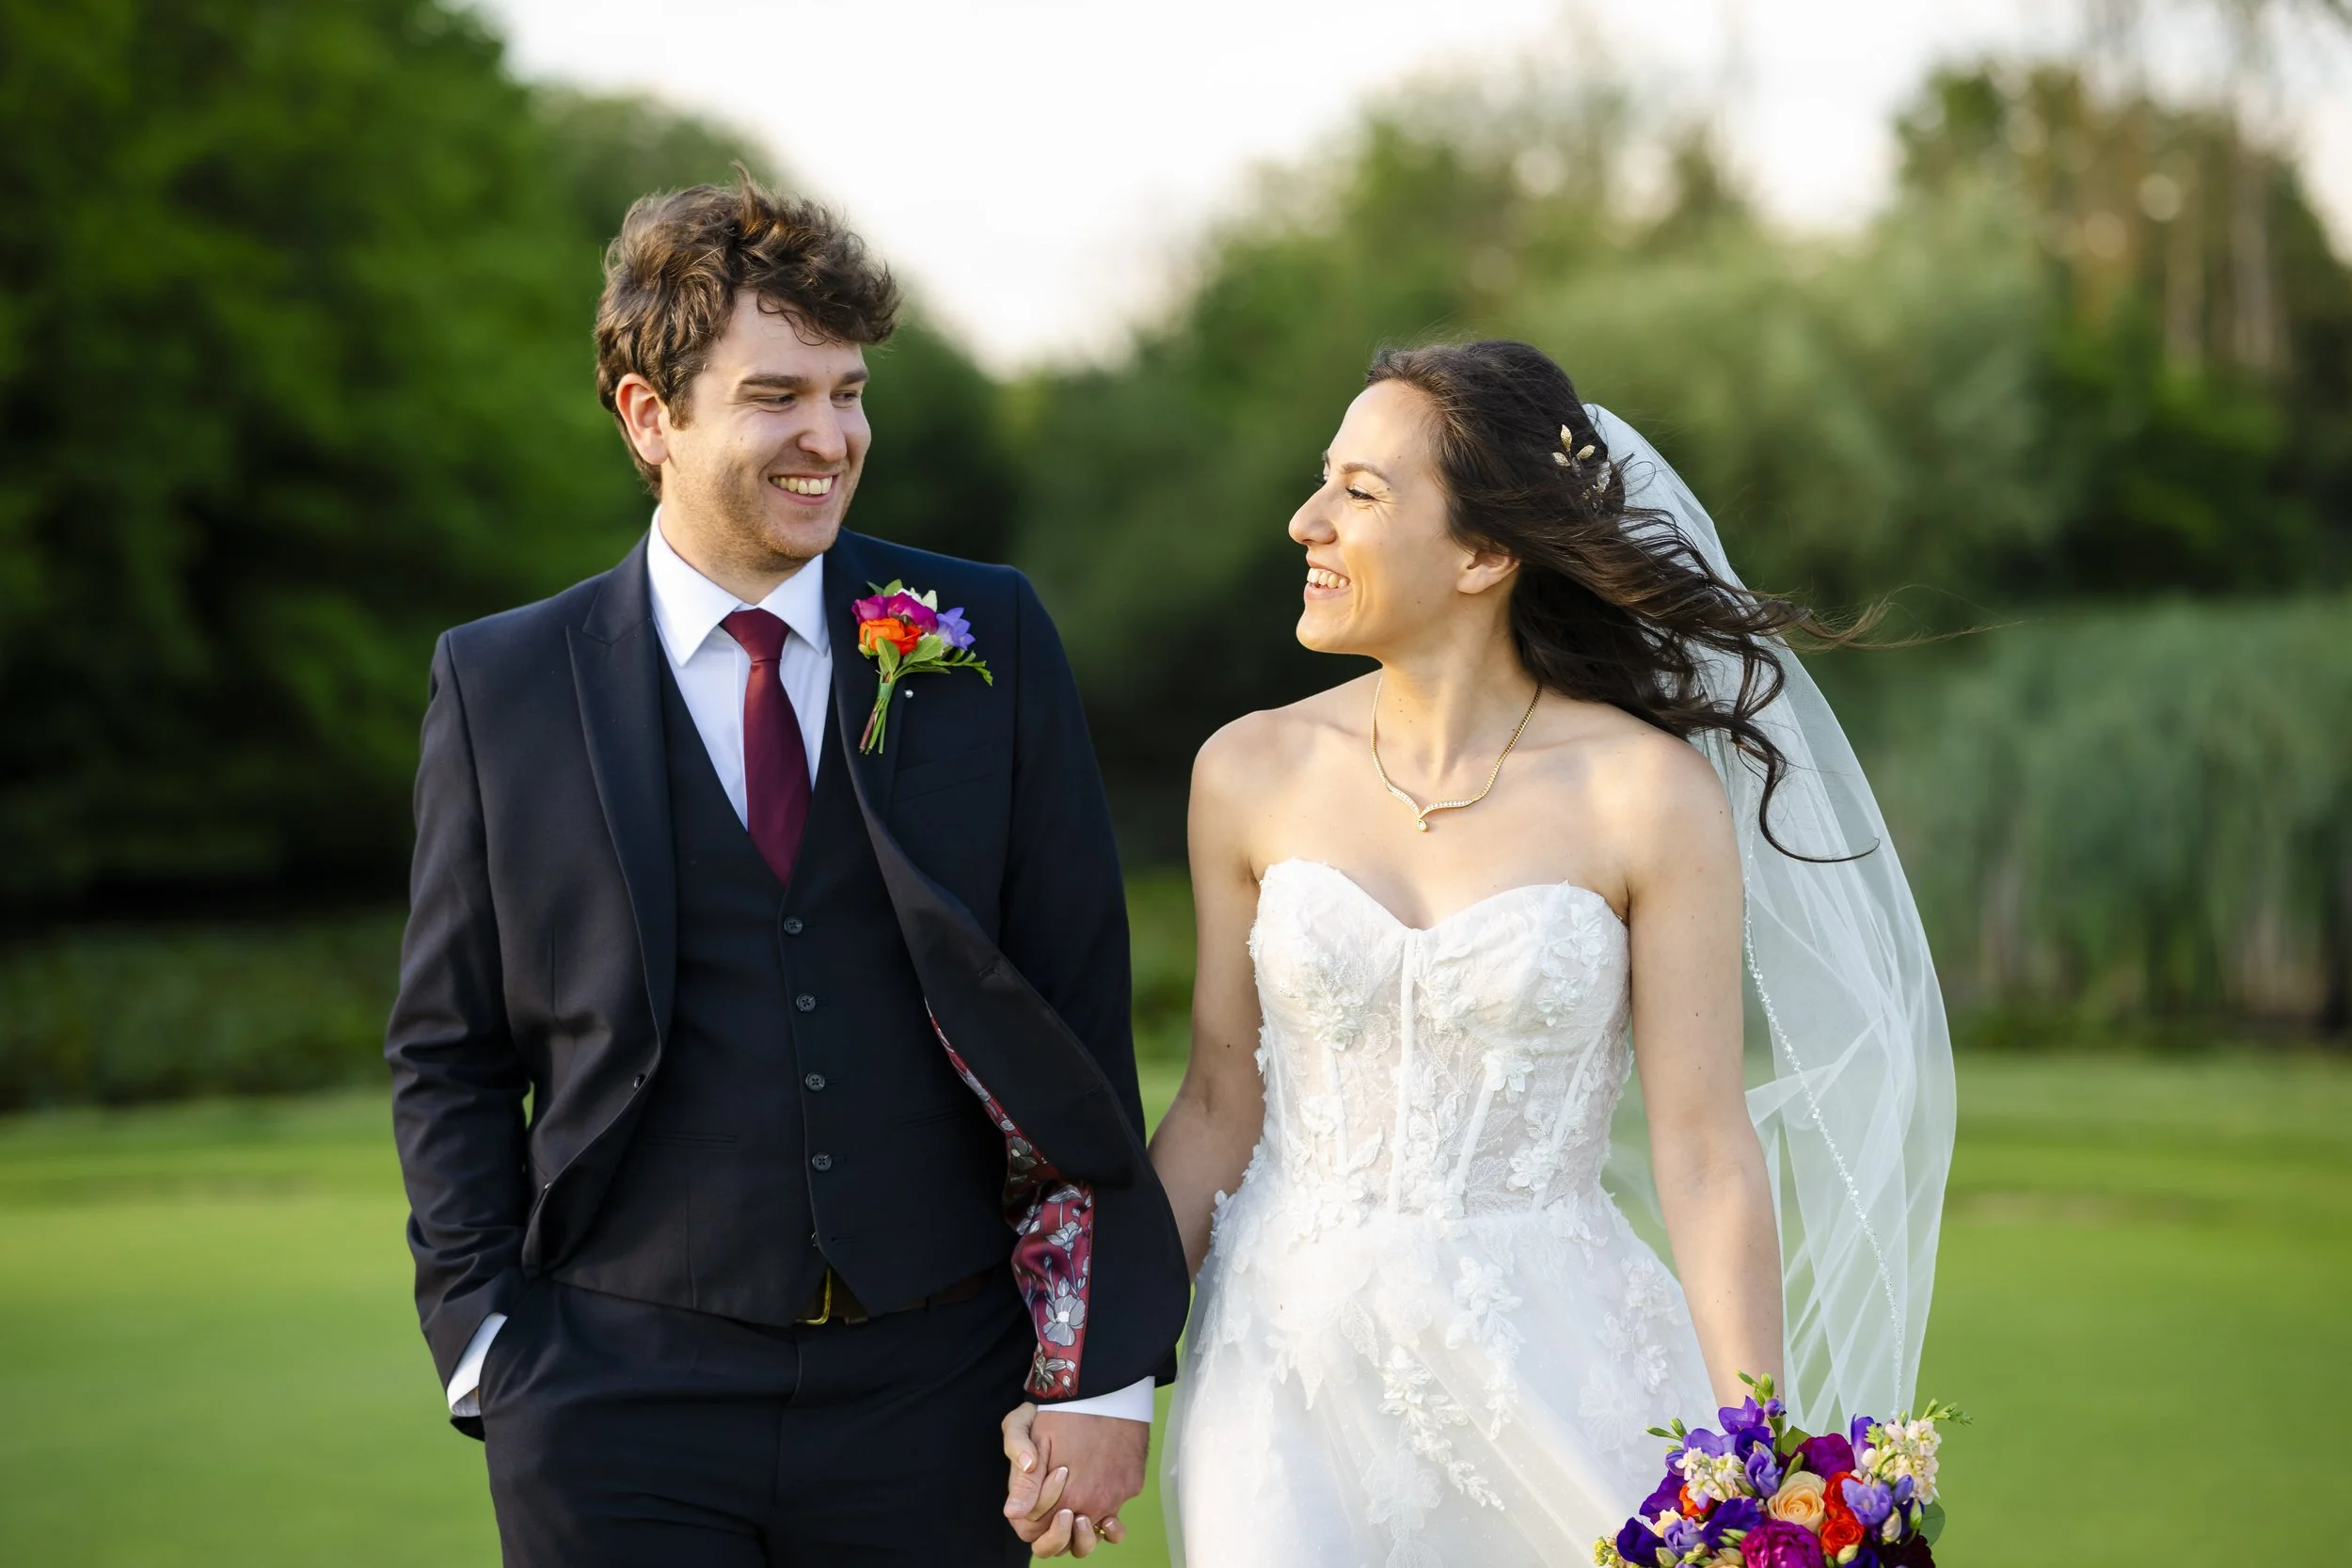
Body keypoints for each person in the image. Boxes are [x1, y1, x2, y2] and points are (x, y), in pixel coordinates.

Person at [1010, 340, 1953, 1563]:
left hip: (1556, 1357)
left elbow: (1706, 1146)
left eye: (1361, 491)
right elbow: (1214, 1103)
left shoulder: (1645, 796)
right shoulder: (1247, 771)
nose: (1307, 521)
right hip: (1284, 1366)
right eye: (1323, 480)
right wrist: (1097, 1375)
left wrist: (1758, 1466)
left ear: (1485, 552)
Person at [385, 173, 1188, 1566]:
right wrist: (486, 1348)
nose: (830, 436)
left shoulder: (983, 637)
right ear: (652, 416)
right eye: (777, 397)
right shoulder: (503, 681)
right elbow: (450, 1046)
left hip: (938, 1392)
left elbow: (1075, 1019)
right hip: (610, 1396)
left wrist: (1102, 1367)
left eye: (850, 392)